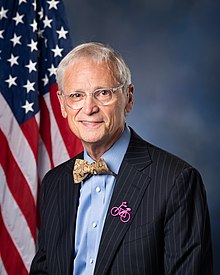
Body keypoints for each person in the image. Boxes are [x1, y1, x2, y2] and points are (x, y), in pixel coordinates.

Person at [30, 42, 213, 275]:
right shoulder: (54, 183)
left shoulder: (176, 181)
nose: (89, 108)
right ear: (63, 104)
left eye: (103, 93)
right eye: (76, 95)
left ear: (128, 98)